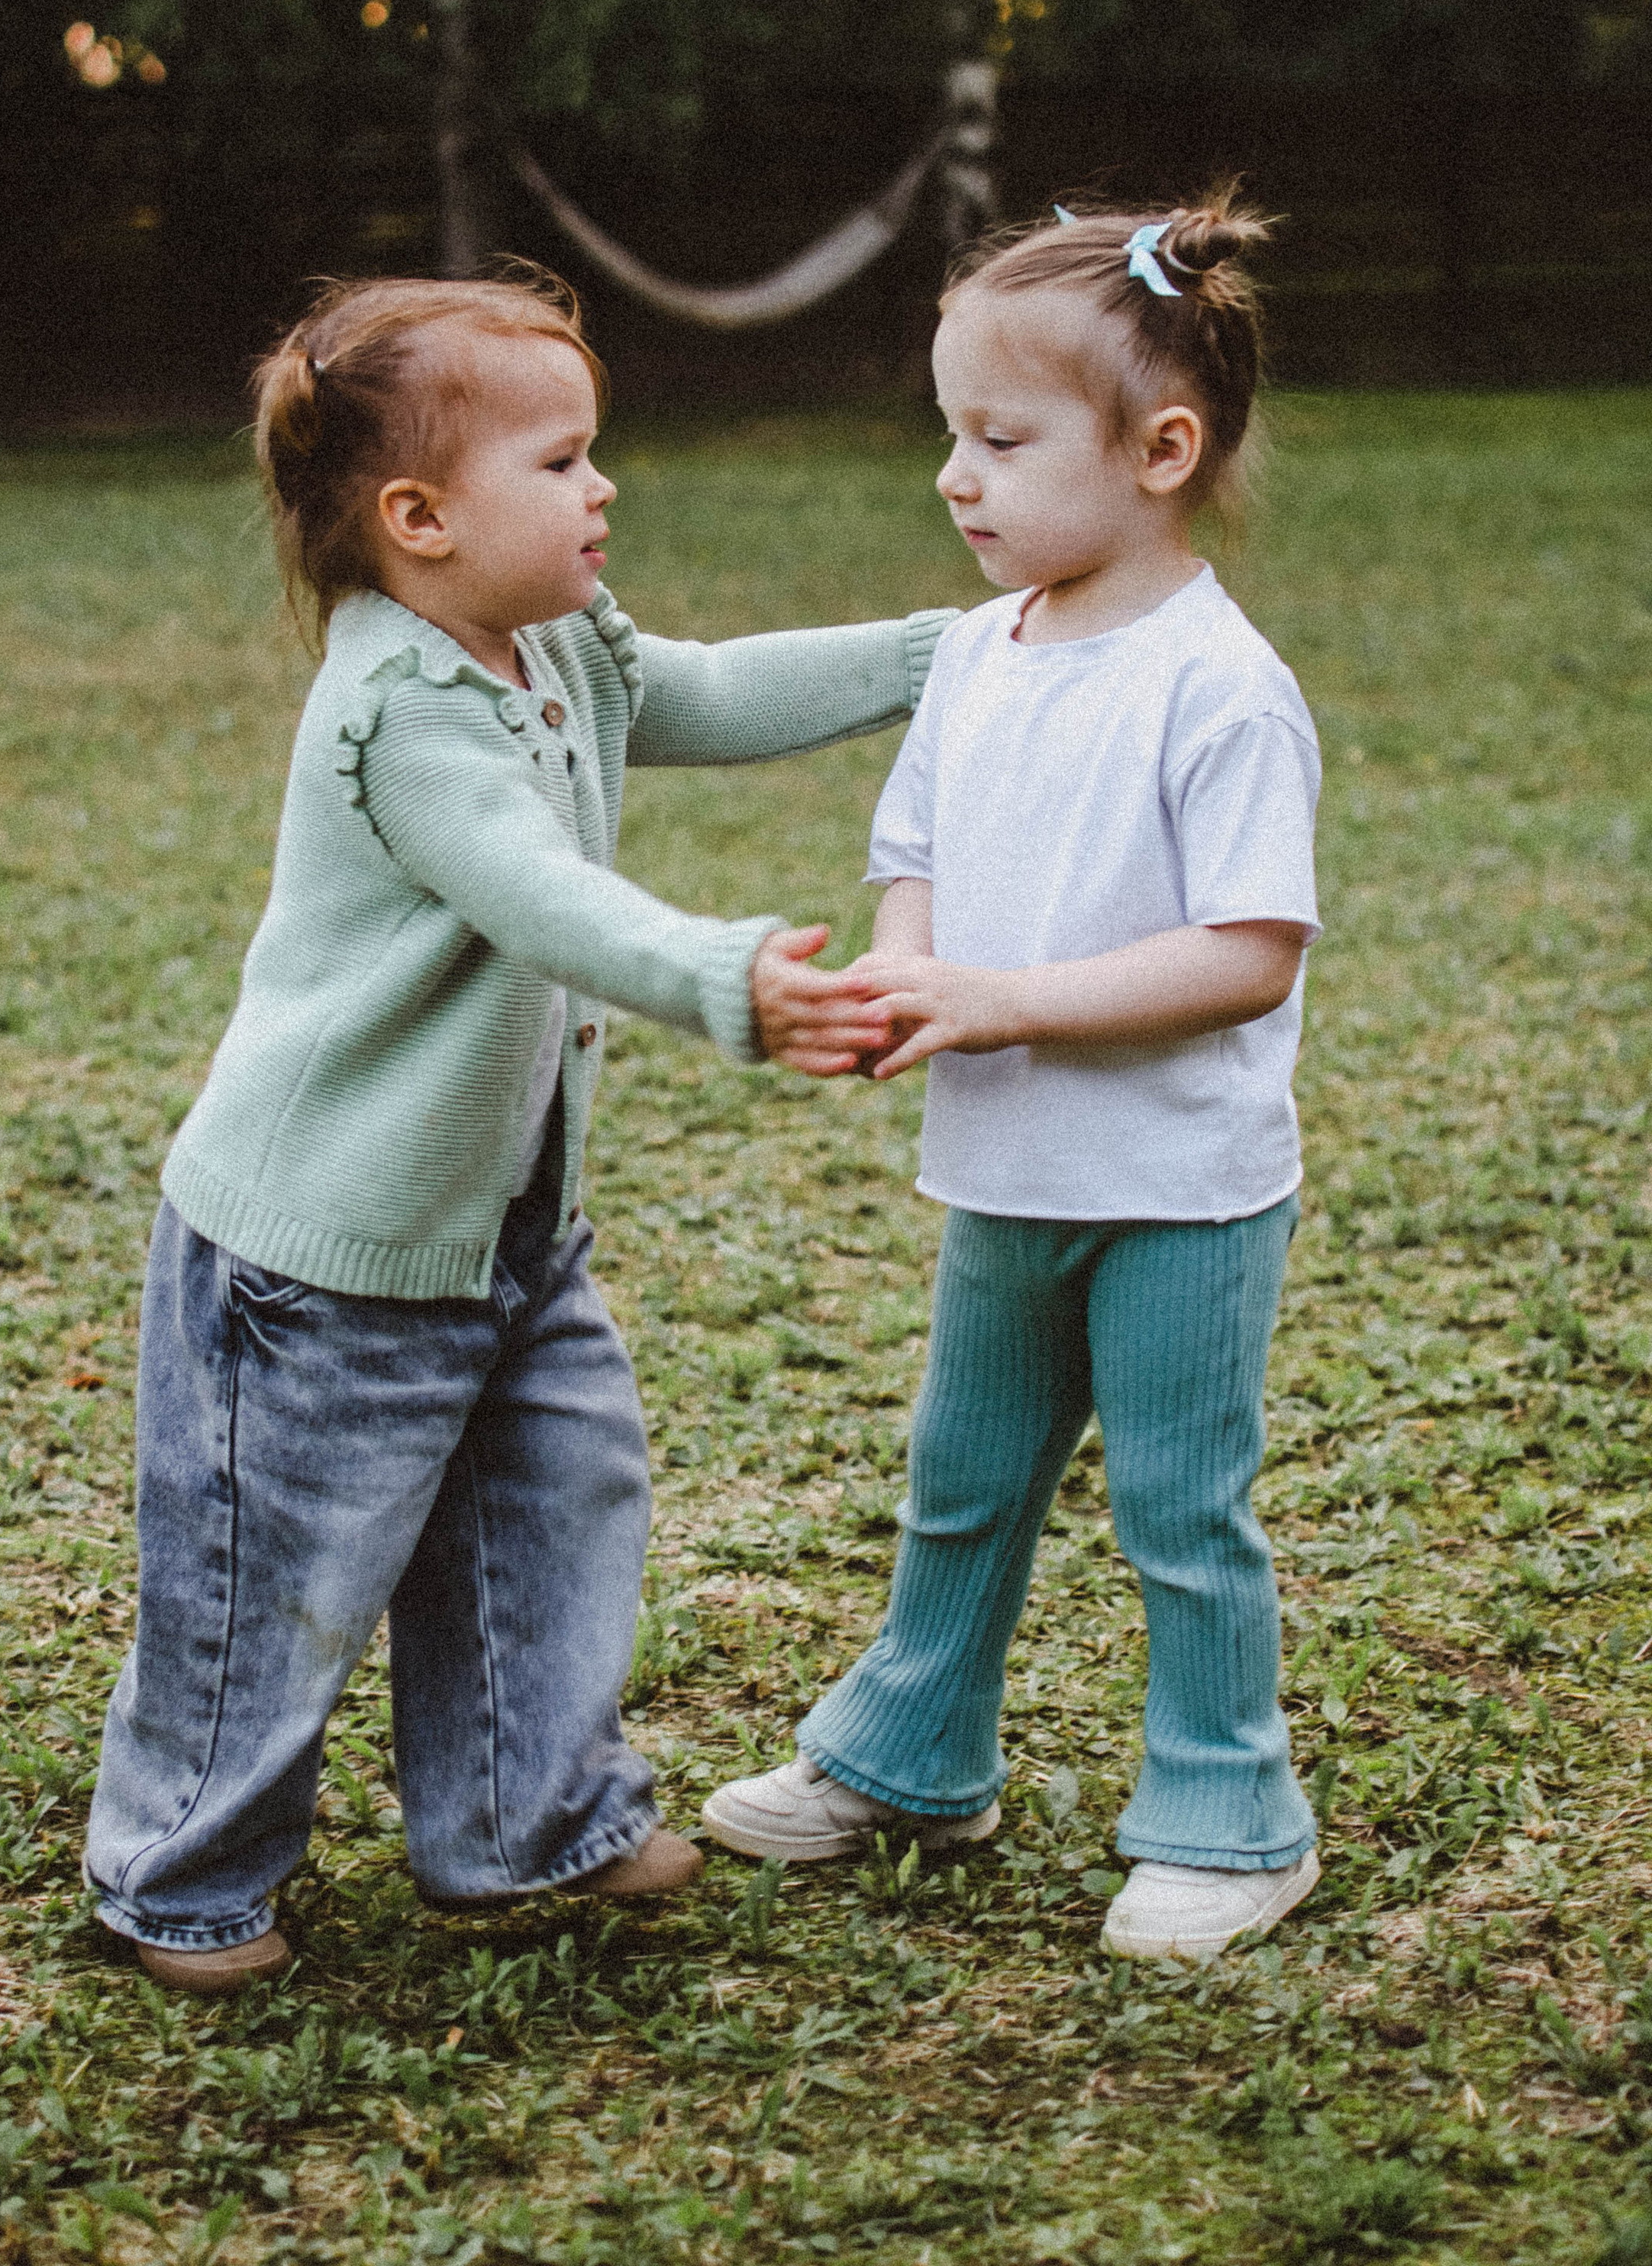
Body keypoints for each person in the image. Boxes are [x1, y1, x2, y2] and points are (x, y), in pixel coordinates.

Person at [82, 267, 954, 1993]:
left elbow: (698, 691)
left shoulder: (553, 642)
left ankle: (520, 1823)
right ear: (415, 519)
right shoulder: (397, 715)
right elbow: (534, 894)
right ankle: (177, 1878)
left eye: (593, 453)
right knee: (271, 1583)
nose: (601, 487)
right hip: (315, 1262)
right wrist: (724, 974)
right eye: (560, 460)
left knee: (552, 1512)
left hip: (500, 1239)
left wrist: (946, 654)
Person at [702, 192, 1325, 1963]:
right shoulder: (974, 654)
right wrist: (906, 977)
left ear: (1160, 449)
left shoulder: (1219, 688)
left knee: (1178, 1515)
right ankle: (910, 1754)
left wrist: (1004, 997)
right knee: (961, 1477)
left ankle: (1228, 1813)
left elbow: (1246, 951)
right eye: (945, 440)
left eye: (996, 439)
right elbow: (916, 853)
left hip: (1176, 1192)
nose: (952, 480)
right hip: (1002, 1171)